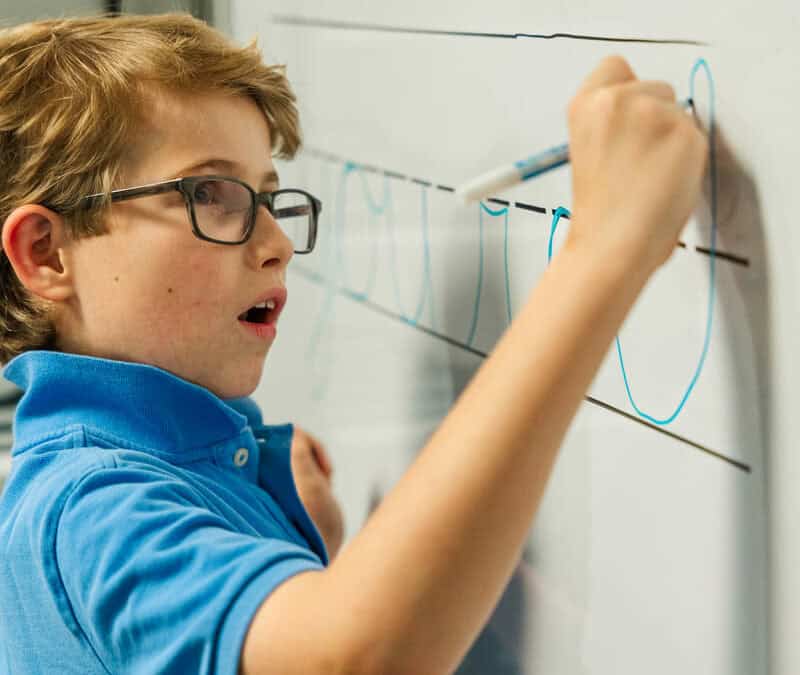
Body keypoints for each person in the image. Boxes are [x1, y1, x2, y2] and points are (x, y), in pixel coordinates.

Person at [0, 12, 707, 675]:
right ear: (46, 252)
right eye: (212, 193)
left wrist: (294, 553)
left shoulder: (182, 467)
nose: (277, 243)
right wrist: (603, 252)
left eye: (270, 197)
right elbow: (352, 658)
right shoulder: (91, 509)